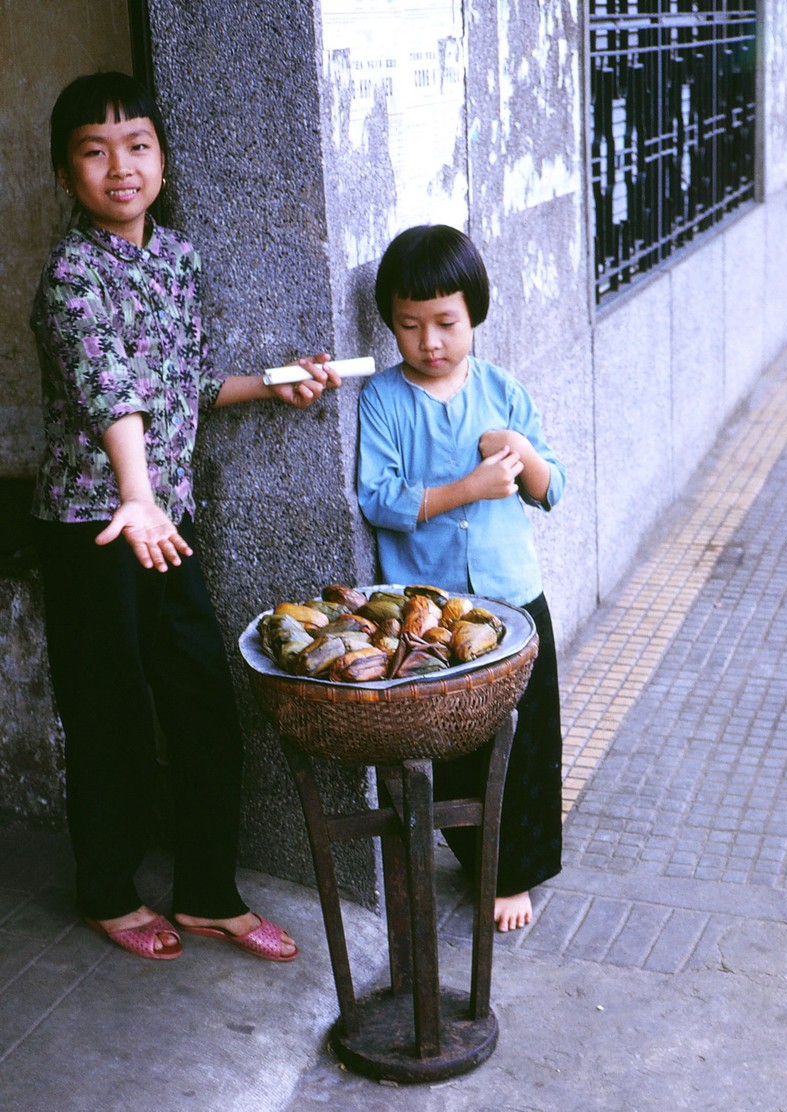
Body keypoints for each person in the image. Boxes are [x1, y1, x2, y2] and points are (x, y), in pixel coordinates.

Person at [30, 71, 341, 961]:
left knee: (205, 700)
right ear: (65, 175)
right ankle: (106, 890)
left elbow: (185, 389)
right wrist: (135, 493)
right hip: (96, 528)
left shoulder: (177, 259)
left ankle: (208, 890)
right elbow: (112, 394)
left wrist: (273, 384)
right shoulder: (70, 276)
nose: (118, 167)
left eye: (137, 146)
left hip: (163, 524)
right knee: (109, 713)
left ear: (163, 161)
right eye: (94, 151)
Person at [357, 224, 566, 932]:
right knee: (450, 746)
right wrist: (466, 488)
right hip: (433, 610)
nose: (430, 341)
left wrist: (522, 454)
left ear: (474, 312)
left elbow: (552, 487)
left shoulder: (504, 391)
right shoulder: (384, 399)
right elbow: (379, 497)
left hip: (513, 595)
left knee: (526, 737)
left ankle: (513, 875)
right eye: (410, 326)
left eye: (446, 322)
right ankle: (475, 856)